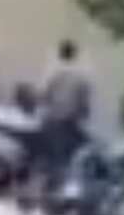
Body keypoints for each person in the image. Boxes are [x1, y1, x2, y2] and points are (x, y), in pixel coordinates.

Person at [36, 40, 93, 184]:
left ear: (60, 53)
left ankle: (54, 184)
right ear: (75, 54)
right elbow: (85, 106)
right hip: (71, 123)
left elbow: (43, 97)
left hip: (53, 121)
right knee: (71, 159)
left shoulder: (52, 72)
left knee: (54, 159)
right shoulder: (82, 75)